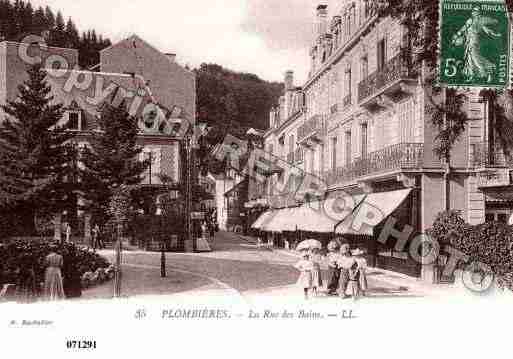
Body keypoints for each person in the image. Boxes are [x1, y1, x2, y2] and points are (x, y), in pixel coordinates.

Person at [452, 6, 502, 83]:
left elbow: (488, 31)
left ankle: (490, 71)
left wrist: (495, 35)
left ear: (478, 14)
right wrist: (457, 36)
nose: (474, 13)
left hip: (475, 43)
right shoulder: (470, 21)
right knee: (469, 59)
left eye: (476, 12)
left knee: (476, 59)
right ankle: (471, 75)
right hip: (468, 42)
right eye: (474, 12)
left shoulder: (481, 23)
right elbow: (463, 28)